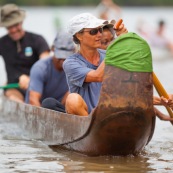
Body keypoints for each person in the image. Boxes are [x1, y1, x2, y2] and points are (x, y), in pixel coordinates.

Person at [63, 13, 128, 116]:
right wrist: (118, 44)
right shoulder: (70, 63)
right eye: (93, 31)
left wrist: (125, 39)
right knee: (72, 99)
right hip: (86, 117)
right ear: (79, 36)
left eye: (100, 30)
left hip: (110, 113)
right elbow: (98, 76)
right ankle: (92, 127)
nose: (99, 35)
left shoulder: (108, 55)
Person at [0, 4, 50, 103]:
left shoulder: (37, 40)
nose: (13, 30)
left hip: (38, 86)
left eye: (16, 25)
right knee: (13, 98)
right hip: (13, 88)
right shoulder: (2, 43)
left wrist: (31, 79)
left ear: (21, 21)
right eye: (9, 27)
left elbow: (46, 65)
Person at [25, 32, 75, 109]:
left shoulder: (75, 68)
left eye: (66, 56)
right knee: (48, 103)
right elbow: (33, 100)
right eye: (60, 56)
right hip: (40, 108)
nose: (63, 60)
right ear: (52, 49)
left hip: (59, 107)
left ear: (74, 51)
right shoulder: (40, 68)